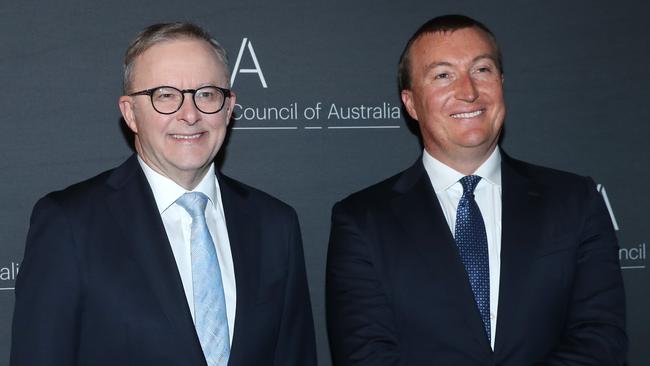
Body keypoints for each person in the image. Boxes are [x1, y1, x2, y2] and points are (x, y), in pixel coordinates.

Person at [326, 14, 626, 366]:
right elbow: (366, 354)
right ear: (410, 103)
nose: (468, 92)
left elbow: (600, 338)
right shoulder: (362, 220)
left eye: (481, 70)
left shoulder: (576, 201)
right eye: (442, 75)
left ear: (501, 82)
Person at [11, 22, 316, 366]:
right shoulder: (70, 223)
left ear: (229, 108)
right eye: (166, 95)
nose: (190, 114)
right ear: (130, 114)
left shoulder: (275, 224)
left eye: (207, 94)